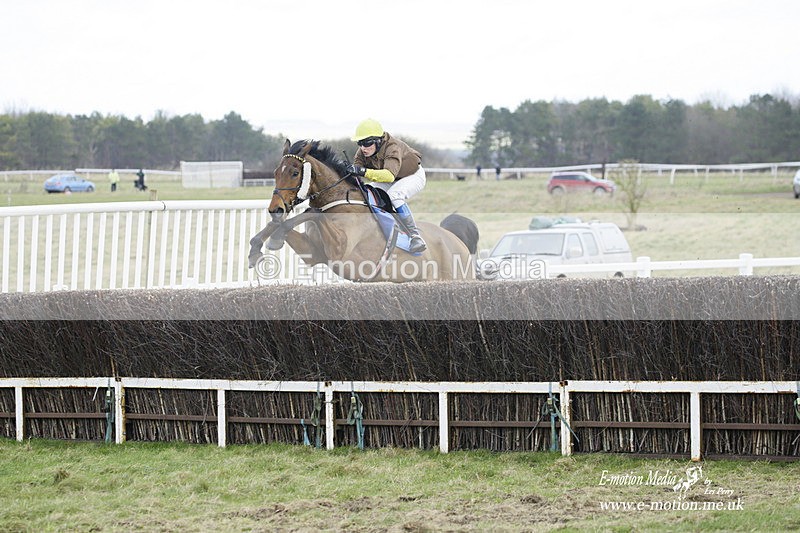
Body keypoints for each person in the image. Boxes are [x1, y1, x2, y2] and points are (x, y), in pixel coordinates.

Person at [346, 118, 427, 253]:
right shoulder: (362, 152)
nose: (363, 148)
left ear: (378, 141)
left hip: (413, 175)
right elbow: (356, 173)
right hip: (391, 179)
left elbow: (389, 175)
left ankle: (415, 236)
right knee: (368, 193)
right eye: (360, 143)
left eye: (367, 143)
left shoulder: (392, 147)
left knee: (394, 195)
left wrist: (363, 171)